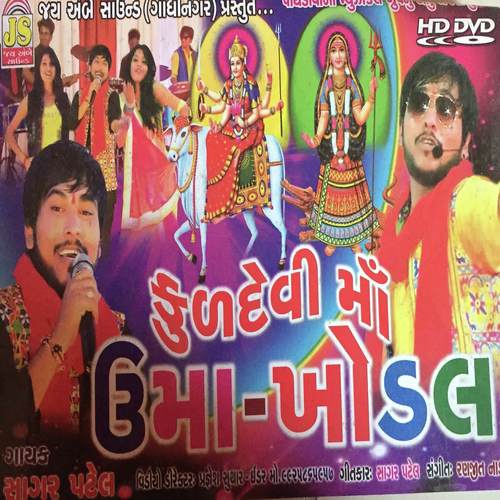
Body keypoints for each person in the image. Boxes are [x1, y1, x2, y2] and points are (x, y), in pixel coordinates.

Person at [370, 52, 499, 385]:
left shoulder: (468, 199)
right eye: (418, 103)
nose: (429, 119)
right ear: (401, 129)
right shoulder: (391, 234)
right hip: (410, 408)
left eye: (445, 109)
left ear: (466, 143)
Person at [0, 140, 125, 444]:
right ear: (29, 231)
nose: (74, 228)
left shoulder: (119, 331)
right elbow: (8, 420)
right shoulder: (5, 316)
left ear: (99, 244)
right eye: (57, 208)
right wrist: (62, 334)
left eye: (86, 211)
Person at [299, 32, 379, 256]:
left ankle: (353, 241)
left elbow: (360, 118)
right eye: (333, 51)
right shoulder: (326, 86)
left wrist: (371, 97)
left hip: (349, 151)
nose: (338, 55)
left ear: (347, 54)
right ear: (328, 56)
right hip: (333, 151)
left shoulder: (352, 85)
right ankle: (333, 240)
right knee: (332, 198)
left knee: (352, 198)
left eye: (341, 50)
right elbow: (324, 117)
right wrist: (317, 138)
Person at [196, 35, 269, 222]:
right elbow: (224, 105)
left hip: (250, 126)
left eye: (238, 63)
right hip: (234, 124)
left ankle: (230, 205)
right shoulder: (229, 84)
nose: (235, 67)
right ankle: (216, 205)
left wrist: (244, 123)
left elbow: (257, 112)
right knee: (212, 137)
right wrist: (208, 107)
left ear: (244, 63)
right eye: (232, 64)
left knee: (232, 151)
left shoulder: (250, 84)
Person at [121, 44, 189, 229]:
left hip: (158, 173)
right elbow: (120, 140)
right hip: (136, 178)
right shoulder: (124, 94)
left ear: (149, 67)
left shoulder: (155, 88)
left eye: (144, 62)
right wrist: (129, 106)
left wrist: (176, 141)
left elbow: (183, 108)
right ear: (129, 64)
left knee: (161, 233)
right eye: (135, 60)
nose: (139, 65)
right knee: (140, 236)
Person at [70, 44, 127, 251]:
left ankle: (104, 243)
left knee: (107, 200)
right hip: (82, 158)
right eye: (96, 62)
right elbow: (72, 122)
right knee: (82, 200)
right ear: (89, 66)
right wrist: (90, 94)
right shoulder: (79, 95)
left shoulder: (112, 96)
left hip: (104, 157)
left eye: (104, 63)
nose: (100, 67)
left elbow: (113, 121)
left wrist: (119, 125)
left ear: (108, 69)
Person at [6, 46, 70, 170]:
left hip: (61, 168)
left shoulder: (63, 99)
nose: (48, 68)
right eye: (44, 64)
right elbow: (9, 132)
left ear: (56, 68)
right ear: (38, 68)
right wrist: (24, 160)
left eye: (51, 64)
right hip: (38, 168)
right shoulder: (30, 100)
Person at [22, 19, 78, 89]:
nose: (43, 37)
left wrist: (67, 82)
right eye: (41, 33)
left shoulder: (51, 53)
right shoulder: (34, 53)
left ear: (51, 36)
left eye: (46, 33)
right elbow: (25, 72)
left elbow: (53, 84)